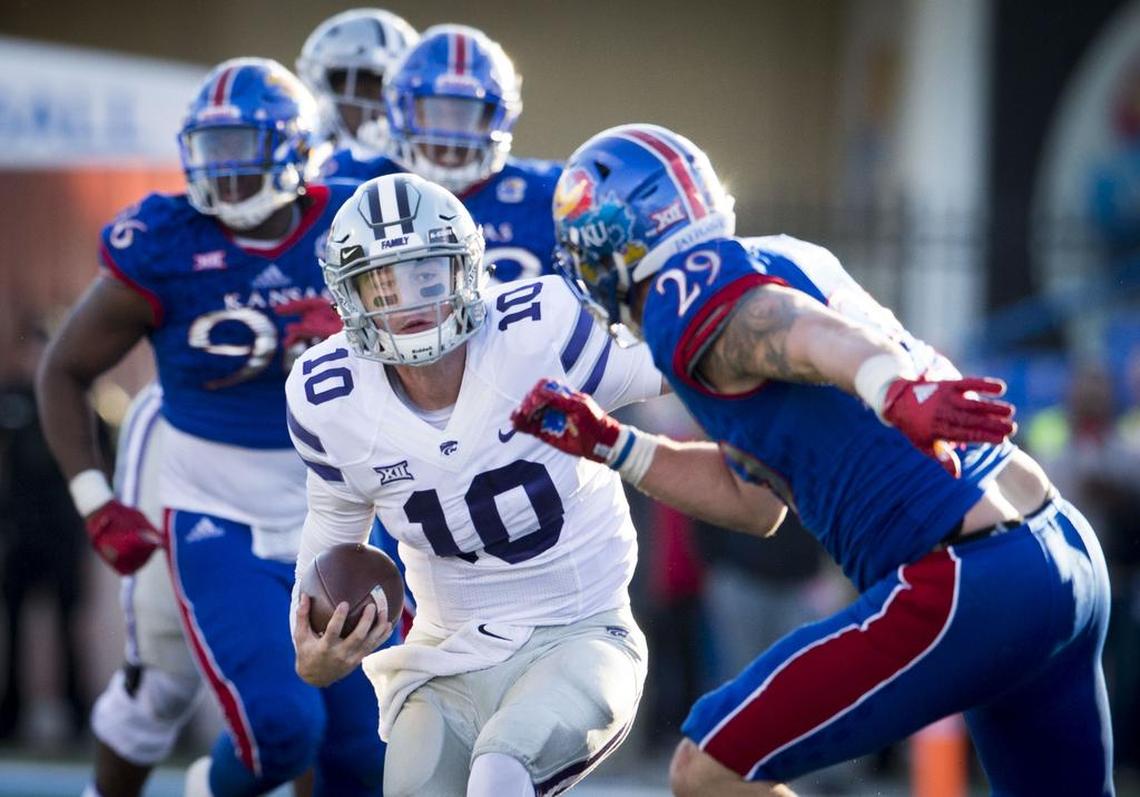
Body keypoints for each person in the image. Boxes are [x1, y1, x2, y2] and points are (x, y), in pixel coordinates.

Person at [511, 123, 1114, 796]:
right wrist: (615, 444)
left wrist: (891, 388)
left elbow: (801, 331)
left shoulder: (683, 296)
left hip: (969, 578)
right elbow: (755, 502)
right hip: (1058, 551)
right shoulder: (769, 262)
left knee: (709, 765)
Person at [37, 57, 387, 797]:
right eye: (212, 148)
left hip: (341, 505)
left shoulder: (350, 224)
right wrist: (97, 499)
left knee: (364, 750)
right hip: (213, 500)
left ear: (294, 148)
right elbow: (62, 368)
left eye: (243, 148)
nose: (224, 173)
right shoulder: (166, 241)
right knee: (274, 723)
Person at [285, 173, 660, 796]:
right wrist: (314, 648)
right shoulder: (329, 398)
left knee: (500, 774)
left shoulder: (537, 333)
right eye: (382, 283)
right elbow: (330, 535)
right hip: (446, 655)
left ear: (467, 270)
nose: (406, 302)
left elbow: (677, 362)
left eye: (426, 276)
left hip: (582, 629)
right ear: (346, 294)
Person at [323, 24, 563, 283]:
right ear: (399, 110)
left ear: (502, 117)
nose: (450, 136)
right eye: (435, 113)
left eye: (470, 116)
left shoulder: (550, 194)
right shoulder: (352, 182)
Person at [0, 319, 90, 742]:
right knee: (14, 626)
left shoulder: (80, 403)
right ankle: (10, 715)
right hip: (17, 535)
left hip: (63, 533)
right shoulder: (10, 400)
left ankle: (77, 713)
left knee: (69, 626)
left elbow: (100, 465)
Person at [296, 8, 419, 162]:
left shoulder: (429, 172)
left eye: (392, 97)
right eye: (364, 92)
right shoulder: (309, 167)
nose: (379, 111)